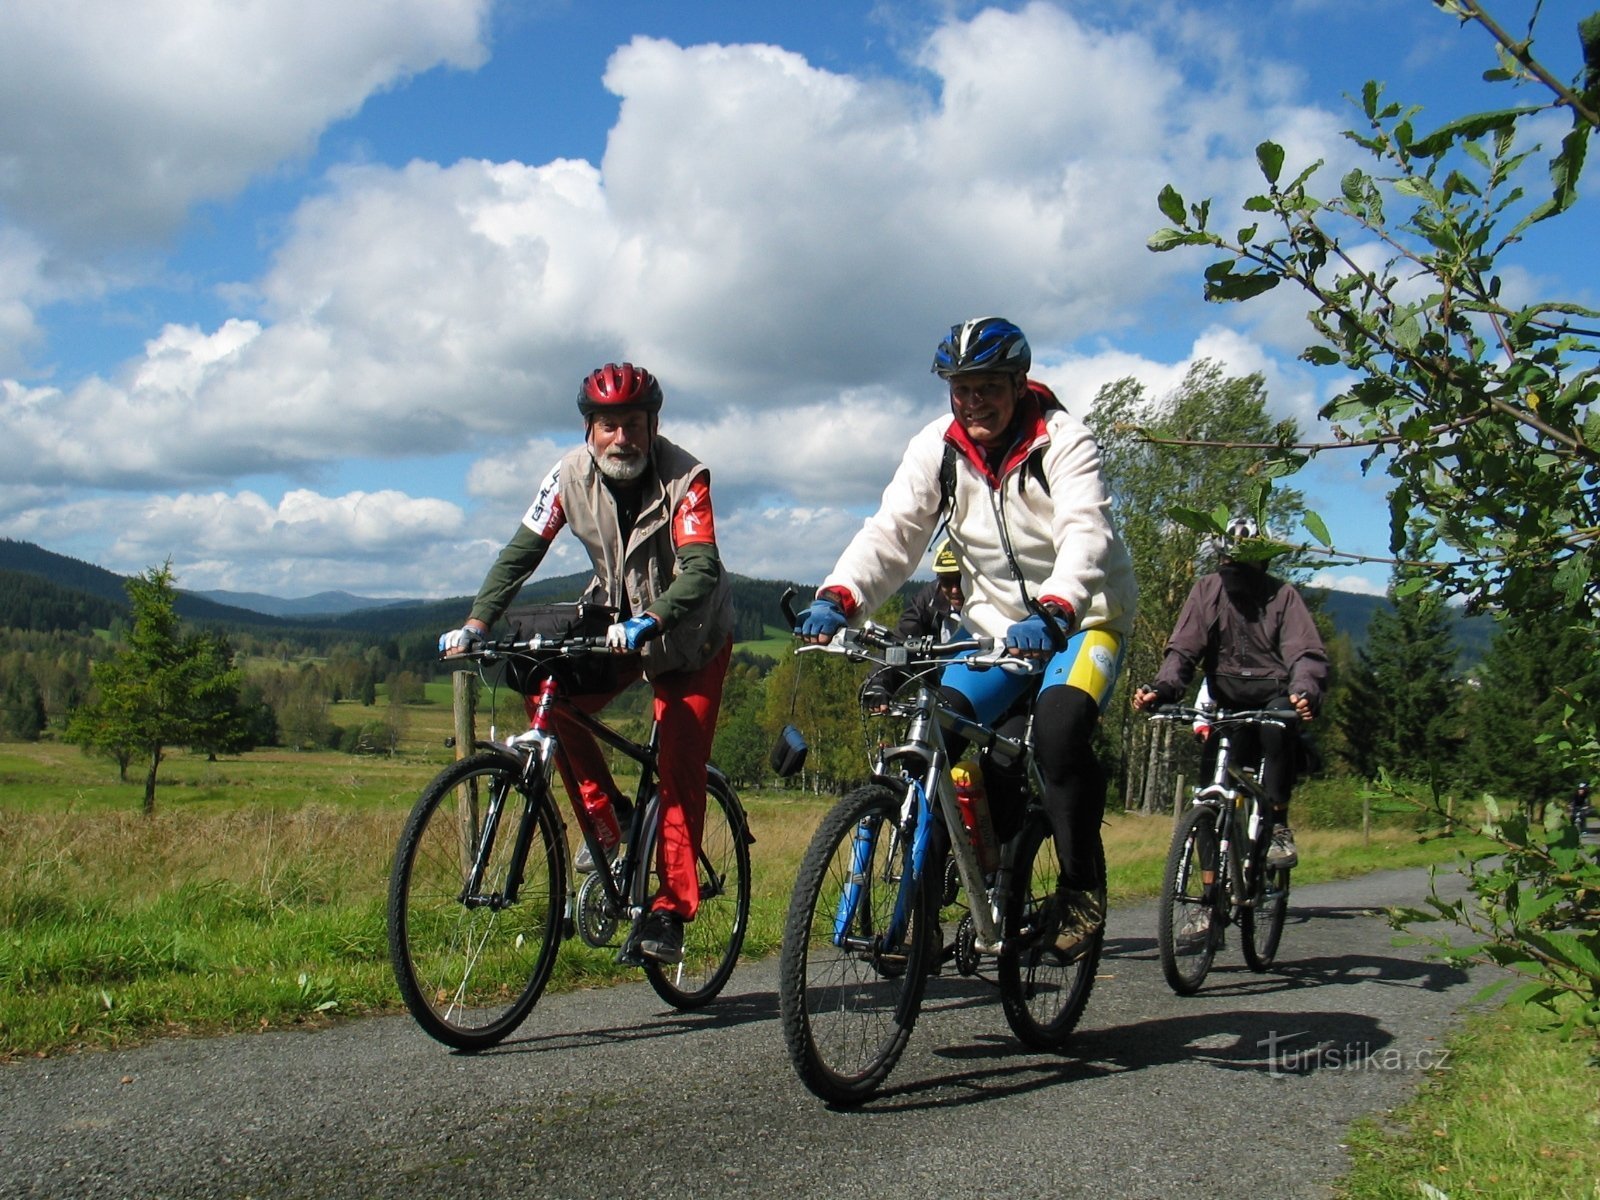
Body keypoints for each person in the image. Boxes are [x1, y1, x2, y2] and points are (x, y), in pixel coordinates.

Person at [795, 316, 1138, 955]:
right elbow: (893, 532)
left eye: (987, 386)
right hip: (991, 632)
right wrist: (840, 596)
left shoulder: (1064, 441)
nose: (973, 401)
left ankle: (1080, 888)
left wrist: (1057, 610)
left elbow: (1086, 534)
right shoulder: (938, 448)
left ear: (1017, 382)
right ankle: (936, 898)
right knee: (939, 735)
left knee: (1059, 734)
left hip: (1082, 620)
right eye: (961, 388)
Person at [439, 362, 734, 966]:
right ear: (588, 431)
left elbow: (700, 568)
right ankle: (609, 822)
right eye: (607, 425)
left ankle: (671, 910)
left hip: (690, 637)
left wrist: (652, 620)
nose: (620, 437)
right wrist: (477, 623)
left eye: (632, 424)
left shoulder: (688, 477)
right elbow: (520, 553)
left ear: (652, 427)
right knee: (547, 694)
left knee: (679, 762)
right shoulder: (566, 476)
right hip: (614, 623)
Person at [1131, 514, 1329, 871]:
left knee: (1276, 729)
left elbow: (1304, 652)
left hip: (1274, 697)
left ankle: (1279, 825)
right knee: (1208, 793)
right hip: (1227, 702)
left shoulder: (1282, 596)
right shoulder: (1208, 591)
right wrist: (1161, 689)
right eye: (1227, 563)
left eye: (1243, 564)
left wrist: (1304, 690)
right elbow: (1184, 650)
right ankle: (1208, 900)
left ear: (1262, 561)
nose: (1233, 571)